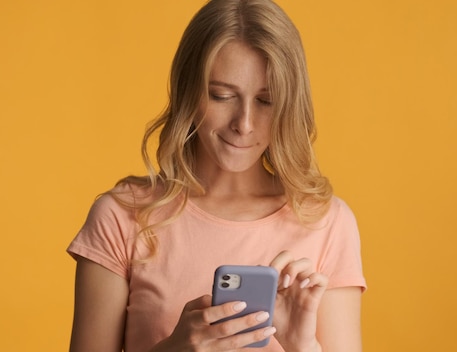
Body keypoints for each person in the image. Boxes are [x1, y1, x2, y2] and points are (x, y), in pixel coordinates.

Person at [67, 0, 366, 351]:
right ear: (188, 92)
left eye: (266, 101)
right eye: (222, 96)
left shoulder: (327, 223)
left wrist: (302, 344)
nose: (244, 124)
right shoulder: (121, 217)